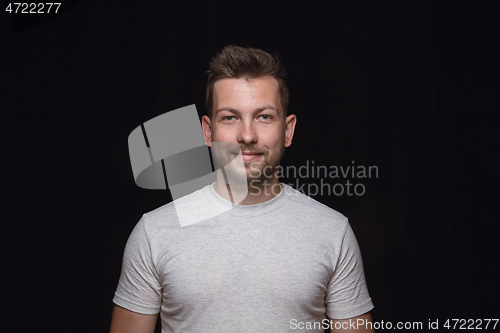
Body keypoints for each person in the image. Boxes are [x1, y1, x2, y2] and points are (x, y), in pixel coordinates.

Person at [109, 45, 374, 333]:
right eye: (230, 117)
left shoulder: (333, 232)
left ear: (288, 130)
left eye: (263, 117)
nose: (247, 135)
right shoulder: (154, 232)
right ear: (208, 132)